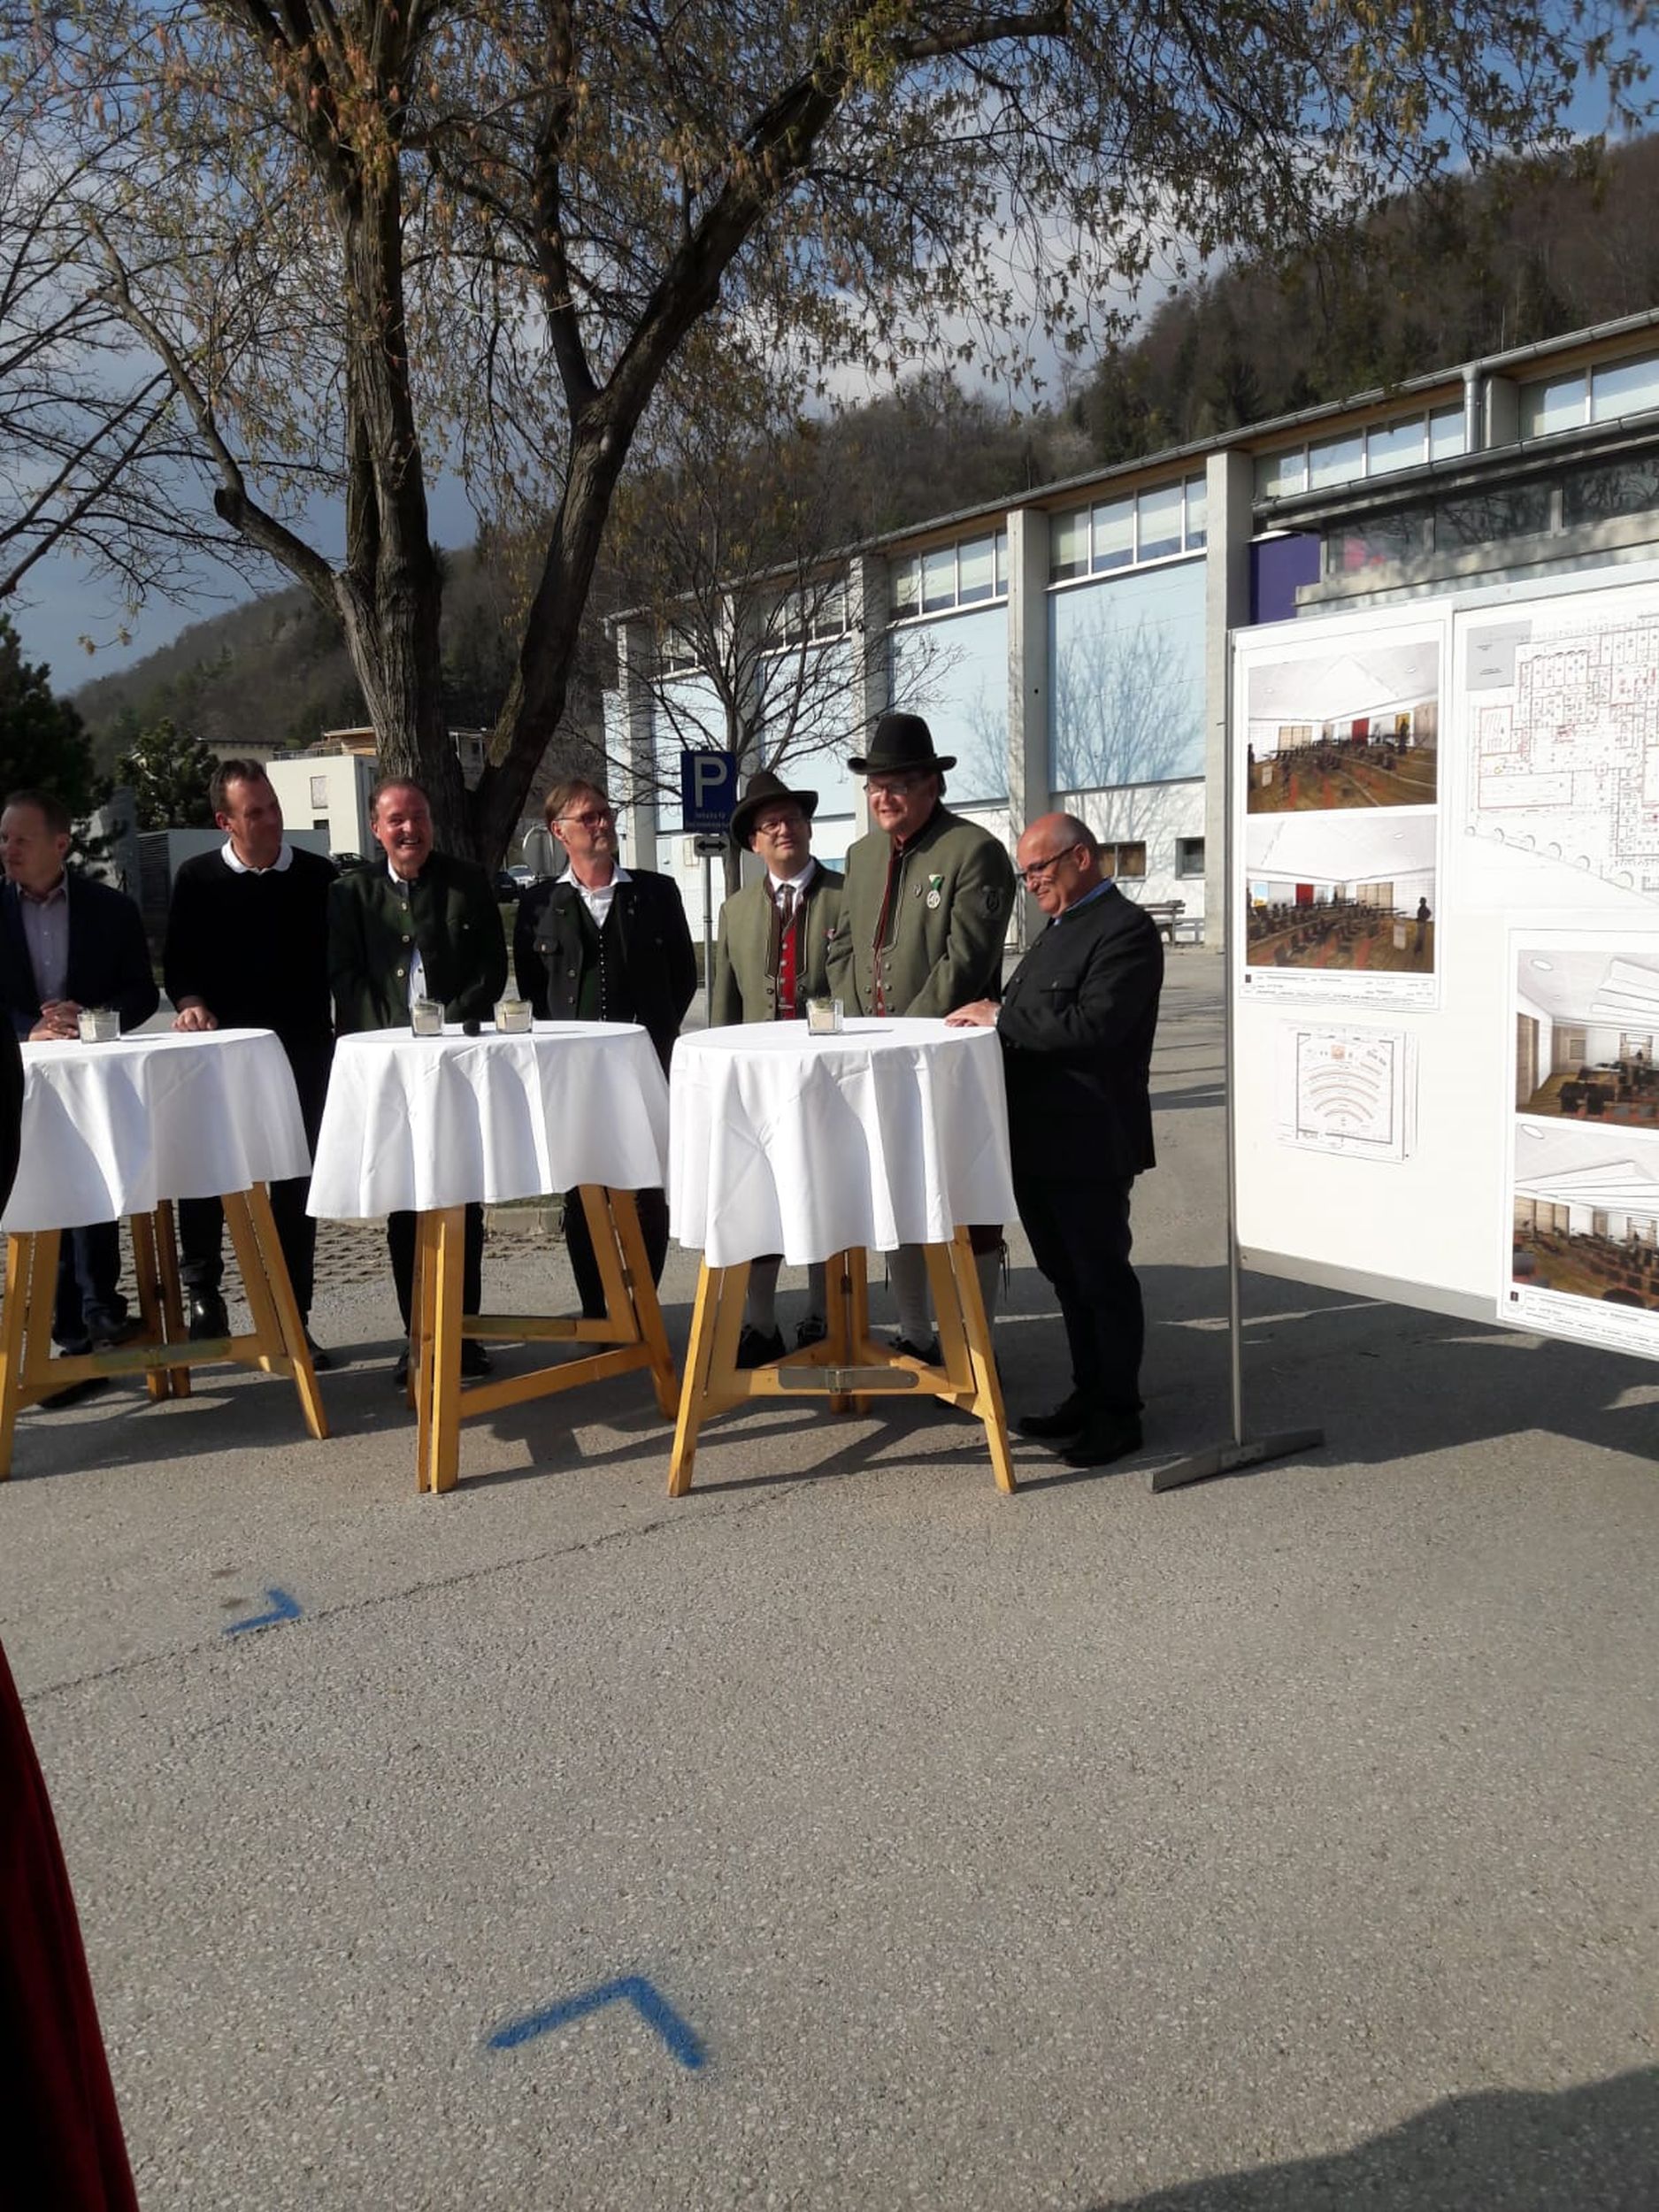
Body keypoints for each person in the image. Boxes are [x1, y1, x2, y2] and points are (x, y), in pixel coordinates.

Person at [948, 813, 1163, 1467]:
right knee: (1066, 1279)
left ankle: (1118, 1415)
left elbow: (1096, 1025)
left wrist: (1001, 1016)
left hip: (1091, 1140)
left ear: (1081, 858)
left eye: (1039, 867)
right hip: (1040, 1140)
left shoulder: (1124, 930)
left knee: (1101, 1279)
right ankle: (1087, 1394)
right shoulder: (1061, 928)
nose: (1032, 882)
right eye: (1026, 873)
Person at [826, 711, 1016, 1355]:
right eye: (875, 786)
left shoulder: (973, 851)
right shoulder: (860, 856)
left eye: (899, 784)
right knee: (893, 1192)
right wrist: (857, 1024)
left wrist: (902, 1032)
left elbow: (965, 962)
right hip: (872, 1054)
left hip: (946, 1057)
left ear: (932, 785)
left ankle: (973, 1348)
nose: (884, 797)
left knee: (966, 1199)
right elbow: (842, 950)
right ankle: (913, 1333)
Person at [327, 777, 506, 1384]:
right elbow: (345, 978)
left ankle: (466, 1333)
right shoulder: (351, 893)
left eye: (419, 816)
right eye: (397, 820)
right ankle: (419, 1336)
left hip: (458, 1064)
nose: (410, 829)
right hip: (388, 1071)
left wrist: (448, 1027)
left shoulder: (466, 882)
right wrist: (395, 1035)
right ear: (376, 829)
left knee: (461, 1196)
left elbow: (490, 968)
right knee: (406, 1202)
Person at [163, 760, 338, 1364]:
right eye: (255, 812)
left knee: (293, 1189)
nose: (271, 820)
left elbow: (340, 961)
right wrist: (189, 1002)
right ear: (226, 821)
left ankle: (293, 1318)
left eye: (273, 806)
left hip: (301, 1053)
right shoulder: (197, 879)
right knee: (207, 1175)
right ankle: (204, 1296)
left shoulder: (317, 876)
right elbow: (178, 965)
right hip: (221, 1055)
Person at [514, 777, 695, 1317]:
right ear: (559, 831)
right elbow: (534, 988)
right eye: (588, 817)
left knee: (645, 1189)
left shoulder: (655, 892)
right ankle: (599, 1310)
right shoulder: (540, 903)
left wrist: (652, 1034)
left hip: (643, 1066)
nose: (602, 824)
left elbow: (683, 976)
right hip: (572, 1075)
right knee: (583, 1192)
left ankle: (641, 1309)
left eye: (604, 813)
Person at [0, 788, 158, 1396]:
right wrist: (29, 1028)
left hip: (92, 1079)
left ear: (60, 844)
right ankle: (67, 1333)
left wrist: (91, 1018)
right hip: (21, 1082)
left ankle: (95, 1318)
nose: (8, 849)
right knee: (44, 1200)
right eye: (4, 839)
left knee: (95, 1186)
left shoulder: (110, 910)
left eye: (21, 839)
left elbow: (141, 993)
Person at [709, 767, 844, 1363]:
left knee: (824, 1195)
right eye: (771, 824)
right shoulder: (735, 910)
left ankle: (823, 1313)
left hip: (829, 1077)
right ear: (753, 842)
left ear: (808, 829)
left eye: (792, 819)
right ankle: (760, 1324)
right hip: (758, 1082)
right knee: (758, 1199)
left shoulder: (846, 896)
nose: (784, 829)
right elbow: (725, 1003)